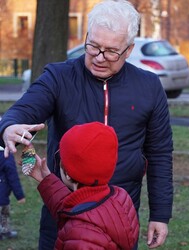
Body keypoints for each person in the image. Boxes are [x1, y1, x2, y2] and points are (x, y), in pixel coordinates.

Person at [0, 0, 173, 249]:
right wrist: (8, 127)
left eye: (111, 51)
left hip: (121, 220)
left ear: (129, 49)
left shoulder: (148, 86)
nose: (99, 58)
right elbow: (23, 109)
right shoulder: (58, 77)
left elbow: (159, 153)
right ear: (87, 36)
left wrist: (160, 214)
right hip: (62, 218)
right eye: (93, 46)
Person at [26, 122, 139, 249]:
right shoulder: (119, 197)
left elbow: (79, 216)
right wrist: (45, 179)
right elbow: (75, 209)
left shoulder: (80, 234)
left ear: (67, 173)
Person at [0, 151, 26, 240]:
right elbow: (13, 177)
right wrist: (20, 196)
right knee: (4, 214)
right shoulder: (6, 156)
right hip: (1, 196)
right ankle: (5, 231)